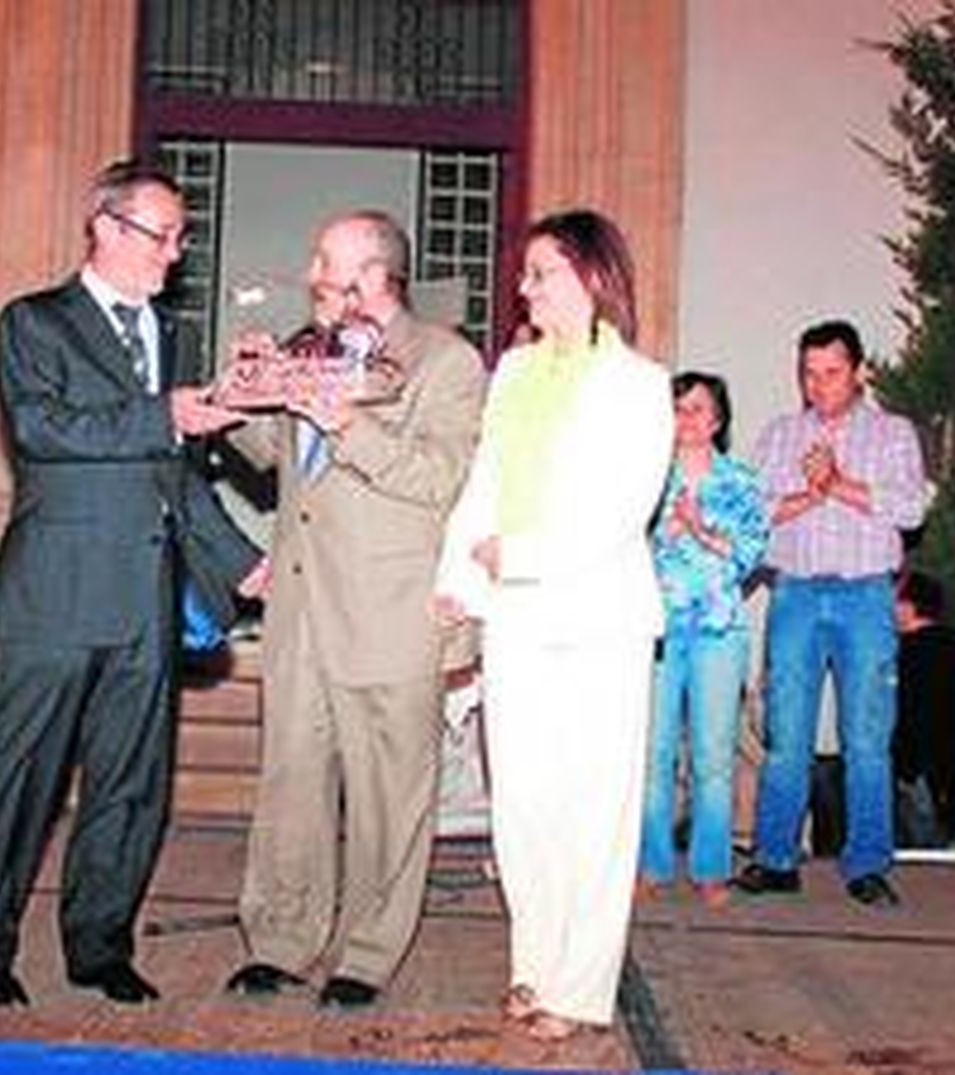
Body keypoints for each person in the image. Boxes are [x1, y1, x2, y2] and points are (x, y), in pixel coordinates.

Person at [0, 160, 262, 1008]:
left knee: (132, 781)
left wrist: (243, 561)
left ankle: (99, 943)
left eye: (182, 236)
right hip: (55, 588)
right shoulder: (35, 322)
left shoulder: (173, 337)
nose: (175, 253)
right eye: (164, 234)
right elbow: (43, 430)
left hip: (143, 597)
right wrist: (165, 414)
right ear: (108, 228)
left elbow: (179, 477)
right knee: (22, 776)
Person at [221, 210, 485, 1010]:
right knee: (290, 782)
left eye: (326, 264)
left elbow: (443, 476)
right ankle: (280, 938)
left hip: (390, 611)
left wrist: (349, 425)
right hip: (301, 607)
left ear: (374, 276)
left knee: (388, 797)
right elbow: (275, 461)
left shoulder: (446, 361)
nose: (311, 275)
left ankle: (367, 952)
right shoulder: (311, 345)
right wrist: (245, 397)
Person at [434, 210, 672, 1041]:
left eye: (542, 271)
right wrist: (458, 574)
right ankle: (532, 967)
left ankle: (579, 985)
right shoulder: (515, 371)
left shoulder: (642, 383)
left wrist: (518, 554)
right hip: (517, 613)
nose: (525, 287)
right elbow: (484, 482)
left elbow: (621, 509)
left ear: (593, 276)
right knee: (524, 804)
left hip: (599, 613)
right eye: (526, 273)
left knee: (594, 806)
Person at [733, 320, 929, 907]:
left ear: (860, 371)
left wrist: (839, 483)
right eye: (809, 374)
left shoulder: (893, 435)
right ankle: (775, 858)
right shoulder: (779, 435)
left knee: (867, 737)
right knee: (785, 734)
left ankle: (866, 863)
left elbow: (911, 508)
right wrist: (809, 495)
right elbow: (753, 513)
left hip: (866, 597)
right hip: (793, 594)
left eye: (832, 373)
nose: (819, 386)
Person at [638, 372, 767, 907]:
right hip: (658, 630)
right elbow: (616, 552)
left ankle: (711, 867)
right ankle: (652, 863)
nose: (685, 419)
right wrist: (654, 536)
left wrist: (698, 529)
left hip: (718, 630)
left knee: (714, 756)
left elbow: (749, 554)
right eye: (677, 408)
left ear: (716, 420)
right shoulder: (644, 478)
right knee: (654, 755)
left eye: (696, 409)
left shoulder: (740, 480)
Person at [892, 570, 955, 846]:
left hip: (918, 771)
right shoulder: (954, 648)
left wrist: (907, 766)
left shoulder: (911, 651)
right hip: (949, 771)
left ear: (909, 605)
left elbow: (913, 713)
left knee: (915, 850)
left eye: (894, 598)